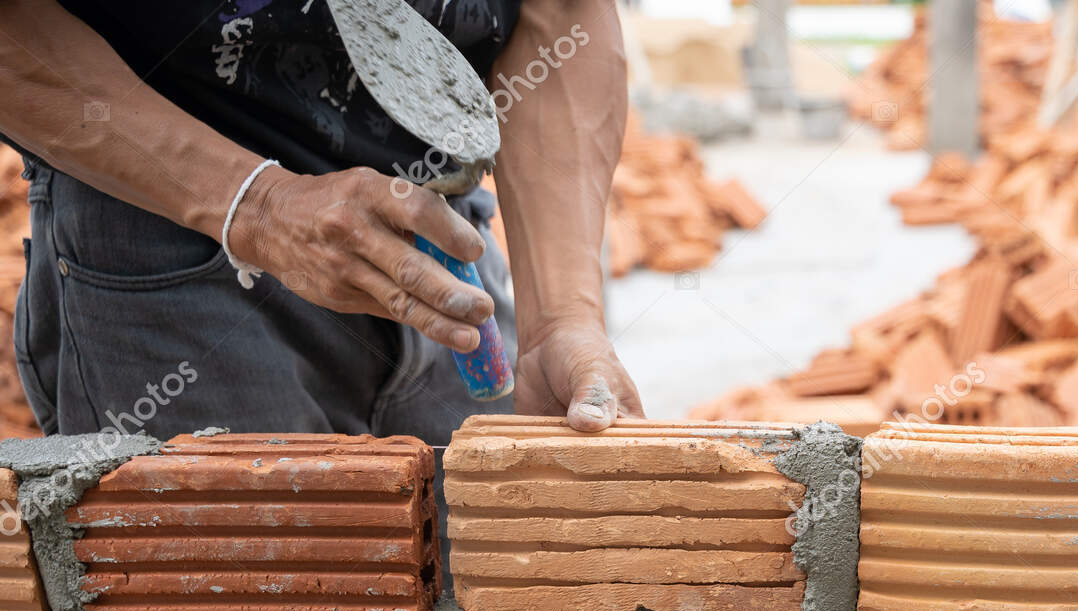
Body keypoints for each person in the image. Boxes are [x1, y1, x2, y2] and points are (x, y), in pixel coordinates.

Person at [0, 0, 644, 445]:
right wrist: (257, 207)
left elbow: (563, 17)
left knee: (489, 602)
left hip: (443, 237)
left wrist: (560, 318)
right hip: (179, 239)